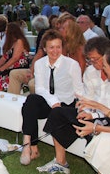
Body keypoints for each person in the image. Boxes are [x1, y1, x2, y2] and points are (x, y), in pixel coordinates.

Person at [36, 37, 110, 174]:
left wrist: (93, 115)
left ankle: (102, 169)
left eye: (96, 59)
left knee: (91, 128)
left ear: (107, 55)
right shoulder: (90, 72)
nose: (92, 63)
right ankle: (61, 162)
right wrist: (84, 111)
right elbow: (86, 97)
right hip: (94, 113)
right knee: (58, 113)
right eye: (90, 60)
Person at [19, 30, 84, 166]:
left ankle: (50, 156)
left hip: (66, 105)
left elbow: (79, 90)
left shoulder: (72, 64)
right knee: (31, 100)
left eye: (58, 47)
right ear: (44, 48)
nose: (55, 51)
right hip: (49, 102)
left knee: (56, 112)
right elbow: (40, 89)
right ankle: (28, 146)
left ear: (62, 47)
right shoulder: (40, 64)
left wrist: (83, 106)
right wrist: (53, 101)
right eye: (51, 47)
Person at [0, 22, 31, 92]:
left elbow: (15, 58)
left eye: (6, 31)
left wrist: (2, 68)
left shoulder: (19, 41)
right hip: (10, 66)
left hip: (17, 67)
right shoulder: (11, 43)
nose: (5, 32)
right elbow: (4, 57)